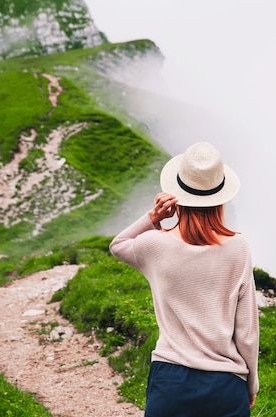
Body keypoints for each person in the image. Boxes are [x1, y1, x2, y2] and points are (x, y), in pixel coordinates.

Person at [109, 142, 259, 417]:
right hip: (225, 383)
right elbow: (246, 331)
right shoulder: (239, 247)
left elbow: (118, 244)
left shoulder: (154, 245)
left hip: (170, 380)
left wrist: (152, 218)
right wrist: (251, 384)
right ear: (220, 198)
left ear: (177, 196)